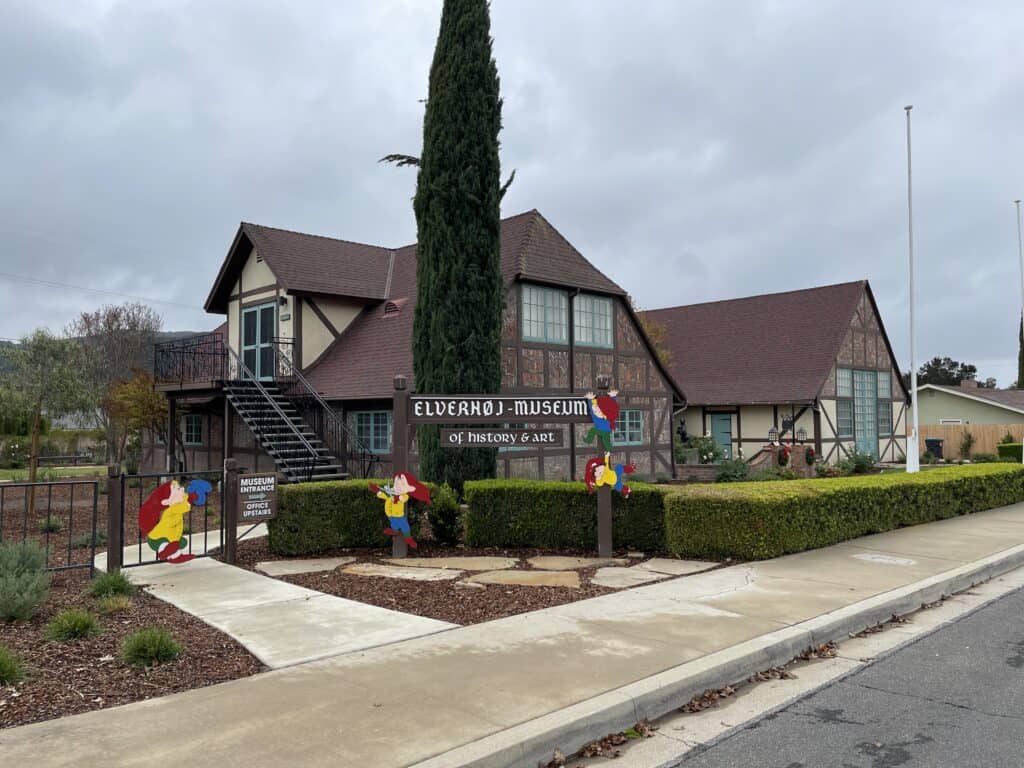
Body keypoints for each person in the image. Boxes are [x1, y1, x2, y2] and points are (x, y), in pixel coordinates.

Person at [138, 478, 212, 564]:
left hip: (169, 535)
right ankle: (165, 552)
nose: (182, 489)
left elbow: (184, 500)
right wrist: (192, 498)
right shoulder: (171, 509)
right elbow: (183, 507)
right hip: (158, 538)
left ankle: (175, 555)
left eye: (180, 487)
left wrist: (193, 495)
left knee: (182, 542)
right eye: (178, 489)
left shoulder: (176, 504)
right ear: (167, 501)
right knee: (167, 543)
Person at [369, 471, 431, 549]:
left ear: (409, 487)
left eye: (402, 484)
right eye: (396, 483)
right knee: (394, 524)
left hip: (399, 516)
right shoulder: (391, 493)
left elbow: (403, 498)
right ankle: (395, 531)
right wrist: (377, 491)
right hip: (390, 515)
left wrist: (398, 497)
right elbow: (384, 495)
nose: (398, 486)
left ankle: (408, 538)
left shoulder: (404, 495)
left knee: (405, 526)